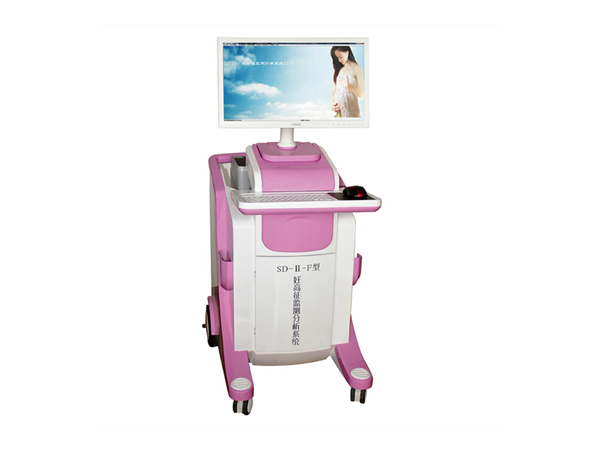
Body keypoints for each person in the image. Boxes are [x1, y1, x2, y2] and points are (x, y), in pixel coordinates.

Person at [330, 46, 364, 118]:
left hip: (351, 114)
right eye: (337, 58)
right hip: (339, 114)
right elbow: (334, 90)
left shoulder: (357, 68)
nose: (339, 60)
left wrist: (348, 86)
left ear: (347, 53)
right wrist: (331, 105)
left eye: (341, 57)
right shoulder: (340, 70)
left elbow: (361, 93)